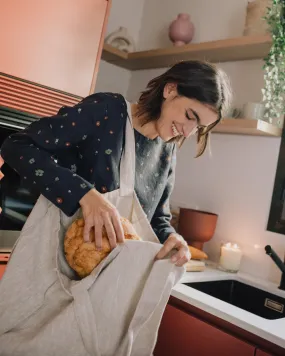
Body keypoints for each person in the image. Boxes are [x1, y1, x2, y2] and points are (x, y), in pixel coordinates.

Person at [1, 60, 231, 267]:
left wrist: (172, 238)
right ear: (170, 90)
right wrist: (85, 194)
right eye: (191, 116)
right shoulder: (107, 111)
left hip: (106, 281)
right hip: (49, 262)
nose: (188, 132)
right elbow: (17, 146)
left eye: (199, 128)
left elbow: (157, 219)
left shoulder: (167, 150)